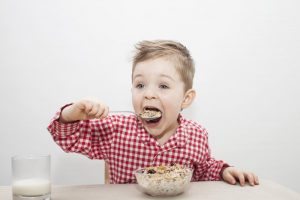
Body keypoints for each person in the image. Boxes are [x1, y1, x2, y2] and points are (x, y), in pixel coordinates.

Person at [47, 40, 259, 186]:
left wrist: (223, 171)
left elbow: (203, 170)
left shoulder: (197, 135)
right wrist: (72, 113)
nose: (148, 94)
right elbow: (67, 137)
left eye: (163, 86)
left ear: (186, 99)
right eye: (140, 85)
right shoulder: (115, 128)